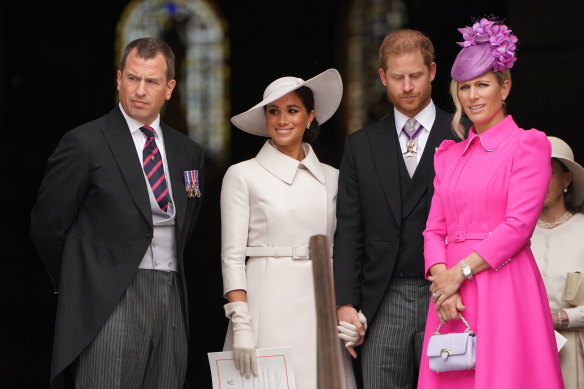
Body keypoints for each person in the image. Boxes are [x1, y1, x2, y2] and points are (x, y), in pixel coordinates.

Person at [30, 38, 204, 388]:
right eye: (132, 78)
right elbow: (47, 225)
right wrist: (83, 279)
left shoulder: (189, 153)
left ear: (169, 88)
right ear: (119, 79)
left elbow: (192, 212)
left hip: (171, 295)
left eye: (152, 81)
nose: (140, 90)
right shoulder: (85, 143)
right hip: (109, 296)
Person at [418, 17, 563, 388]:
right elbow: (434, 229)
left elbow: (517, 227)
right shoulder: (448, 155)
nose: (473, 96)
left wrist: (458, 275)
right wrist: (442, 283)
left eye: (483, 85)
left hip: (503, 284)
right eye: (464, 87)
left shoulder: (528, 145)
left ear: (505, 86)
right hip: (451, 292)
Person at [333, 29, 457, 388]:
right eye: (398, 77)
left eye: (416, 75)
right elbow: (350, 230)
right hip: (382, 296)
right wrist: (345, 302)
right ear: (382, 77)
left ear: (433, 71)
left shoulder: (463, 136)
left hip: (448, 293)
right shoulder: (361, 146)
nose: (407, 86)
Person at [220, 69, 356, 389]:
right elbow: (231, 255)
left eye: (292, 110)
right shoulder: (242, 175)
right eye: (274, 111)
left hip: (321, 301)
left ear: (310, 117)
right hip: (266, 303)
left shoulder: (332, 177)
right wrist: (240, 322)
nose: (282, 119)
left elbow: (348, 248)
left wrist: (350, 306)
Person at [531, 136, 584, 389]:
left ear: (566, 179)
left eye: (548, 172)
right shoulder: (517, 235)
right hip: (525, 346)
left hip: (574, 351)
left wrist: (559, 317)